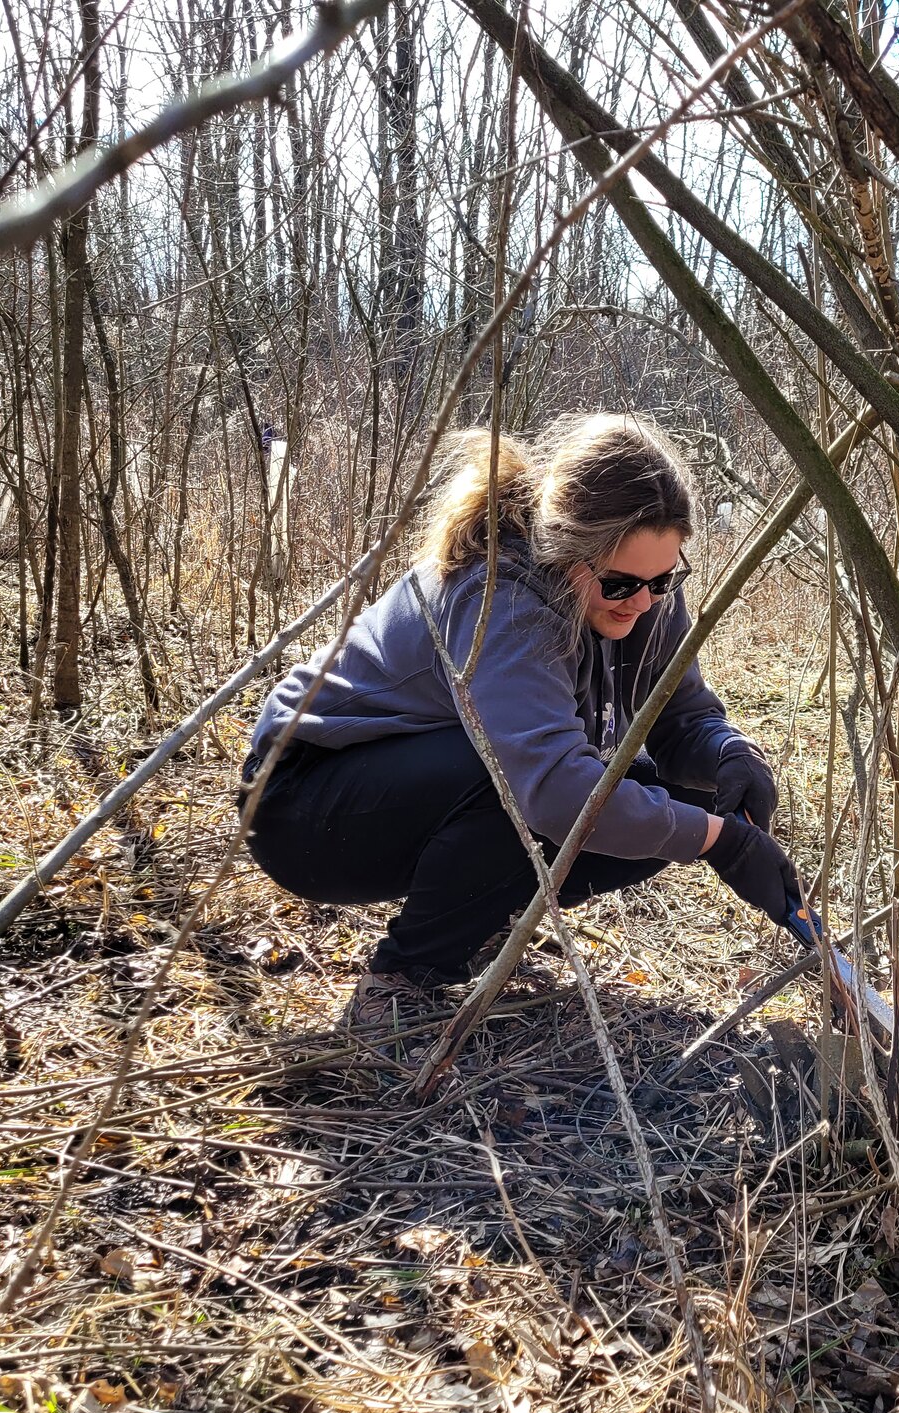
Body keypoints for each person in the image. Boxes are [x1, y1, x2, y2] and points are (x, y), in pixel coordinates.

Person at [241, 413, 802, 1026]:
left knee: (652, 797)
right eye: (622, 585)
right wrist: (717, 841)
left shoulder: (643, 594)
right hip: (302, 804)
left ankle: (479, 912)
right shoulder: (503, 598)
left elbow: (678, 713)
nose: (644, 603)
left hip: (421, 780)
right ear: (567, 554)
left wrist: (729, 754)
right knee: (521, 784)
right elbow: (555, 789)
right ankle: (403, 977)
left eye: (665, 579)